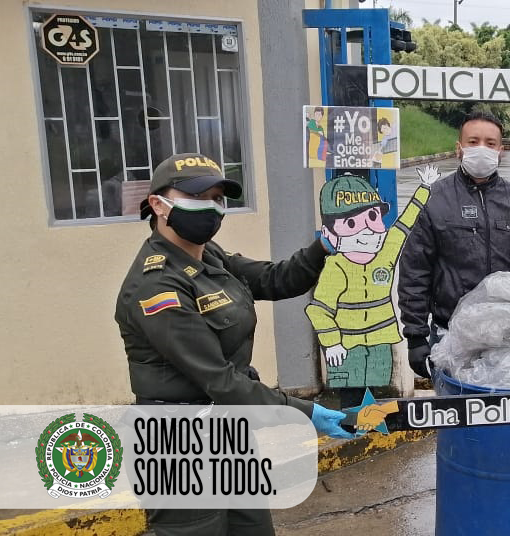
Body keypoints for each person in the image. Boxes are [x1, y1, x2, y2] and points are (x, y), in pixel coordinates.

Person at [115, 153, 352, 535]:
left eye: (217, 197)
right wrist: (304, 412)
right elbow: (220, 380)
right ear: (158, 205)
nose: (211, 206)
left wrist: (322, 246)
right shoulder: (157, 285)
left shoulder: (210, 255)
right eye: (197, 196)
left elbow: (274, 279)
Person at [398, 111, 510, 377]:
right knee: (455, 410)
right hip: (450, 333)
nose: (481, 149)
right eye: (473, 142)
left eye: (490, 143)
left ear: (501, 150)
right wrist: (416, 336)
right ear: (459, 148)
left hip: (508, 336)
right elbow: (415, 271)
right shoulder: (435, 200)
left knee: (506, 411)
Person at [306, 171, 435, 408]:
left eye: (372, 217)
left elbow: (404, 226)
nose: (366, 230)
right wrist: (332, 341)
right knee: (351, 403)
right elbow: (319, 310)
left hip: (379, 346)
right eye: (352, 223)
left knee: (372, 401)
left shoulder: (385, 255)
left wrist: (424, 188)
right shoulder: (335, 267)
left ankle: (365, 427)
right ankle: (352, 429)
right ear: (329, 232)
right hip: (347, 348)